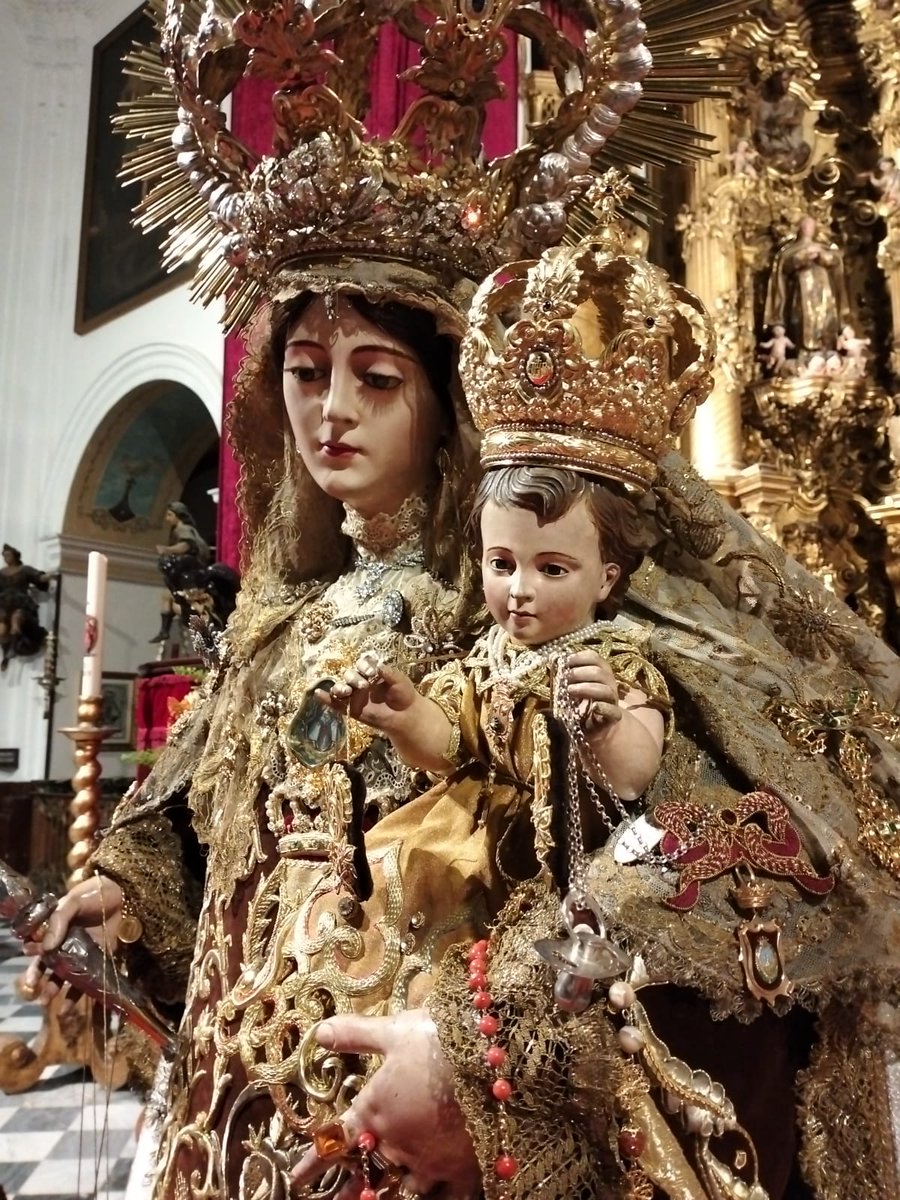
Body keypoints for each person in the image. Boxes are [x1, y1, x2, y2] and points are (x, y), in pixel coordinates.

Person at [22, 5, 900, 1200]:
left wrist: (493, 1053)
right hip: (238, 1107)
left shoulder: (533, 599)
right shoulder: (280, 615)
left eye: (375, 378)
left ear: (447, 398)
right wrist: (126, 886)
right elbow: (205, 805)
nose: (331, 411)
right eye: (304, 372)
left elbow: (703, 852)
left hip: (422, 1119)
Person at [763, 214, 851, 359]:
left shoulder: (823, 248)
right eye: (804, 225)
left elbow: (836, 264)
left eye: (810, 226)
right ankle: (804, 351)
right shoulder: (789, 252)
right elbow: (783, 270)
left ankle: (827, 348)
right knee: (802, 317)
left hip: (824, 290)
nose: (807, 228)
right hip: (801, 290)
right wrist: (801, 259)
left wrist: (822, 257)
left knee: (826, 317)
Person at [149, 502, 212, 644]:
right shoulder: (178, 530)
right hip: (183, 570)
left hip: (189, 571)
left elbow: (187, 545)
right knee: (167, 597)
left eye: (170, 515)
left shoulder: (183, 529)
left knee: (177, 601)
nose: (167, 518)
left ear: (178, 516)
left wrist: (167, 549)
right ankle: (165, 631)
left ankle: (196, 624)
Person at [0, 543, 50, 670]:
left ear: (15, 556)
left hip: (20, 603)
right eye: (4, 555)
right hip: (3, 605)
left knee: (17, 618)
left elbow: (38, 577)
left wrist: (47, 577)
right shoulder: (1, 573)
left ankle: (13, 645)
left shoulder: (24, 570)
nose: (6, 558)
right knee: (2, 628)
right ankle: (7, 650)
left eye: (9, 555)